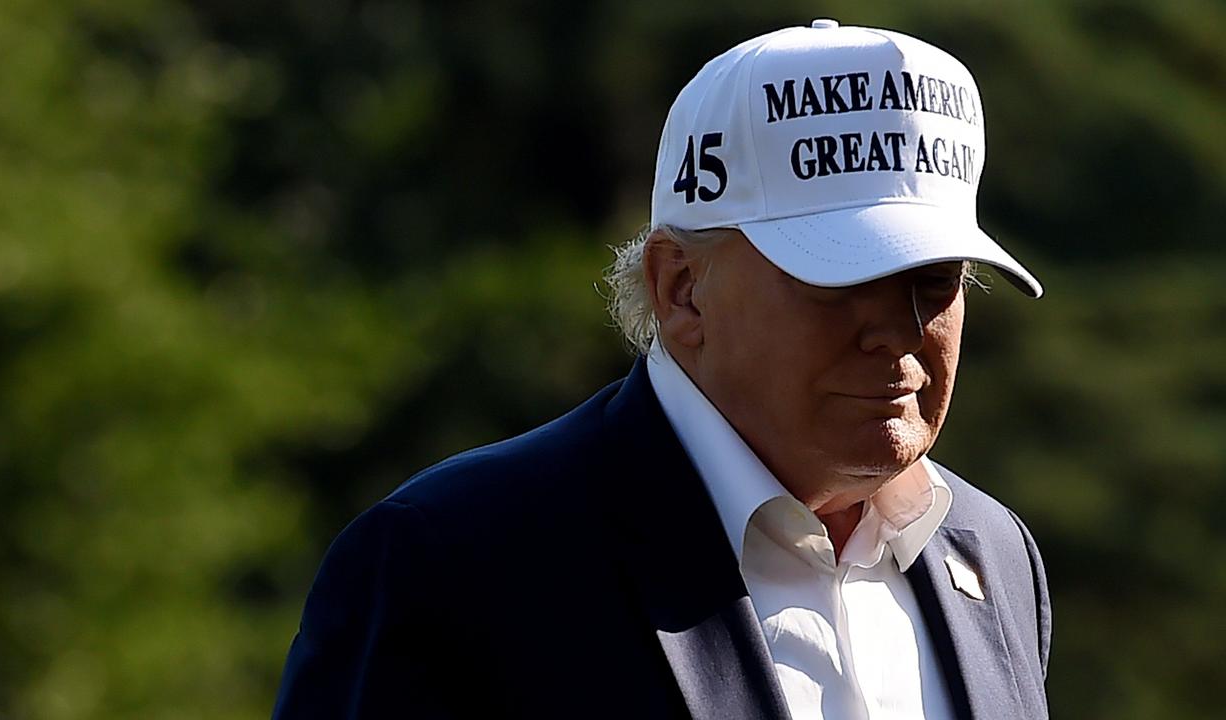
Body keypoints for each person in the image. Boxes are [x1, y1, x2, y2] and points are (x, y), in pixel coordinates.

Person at [272, 20, 1050, 720]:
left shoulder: (988, 551)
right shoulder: (453, 563)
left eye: (936, 281)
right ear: (680, 288)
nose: (898, 331)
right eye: (839, 279)